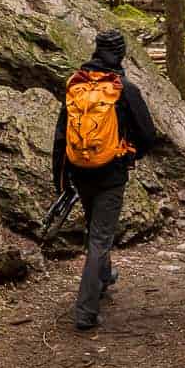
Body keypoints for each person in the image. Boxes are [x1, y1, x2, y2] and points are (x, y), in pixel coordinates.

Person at [52, 29, 157, 330]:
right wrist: (129, 155)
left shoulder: (77, 87)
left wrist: (60, 180)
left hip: (79, 172)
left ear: (97, 51)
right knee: (99, 238)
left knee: (95, 230)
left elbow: (61, 136)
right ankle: (85, 311)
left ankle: (104, 277)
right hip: (111, 175)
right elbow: (149, 135)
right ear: (121, 54)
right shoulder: (123, 89)